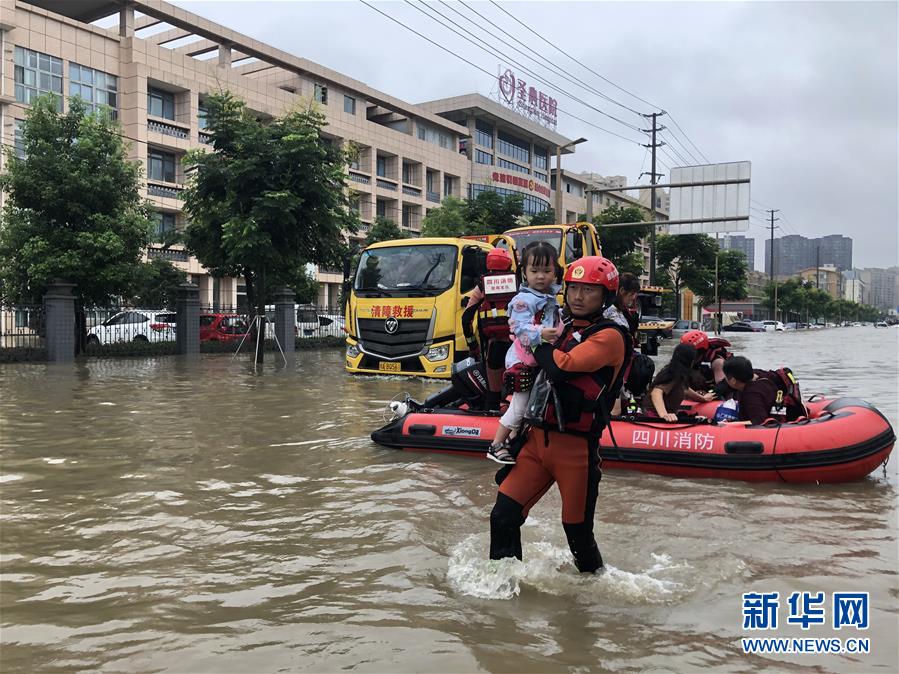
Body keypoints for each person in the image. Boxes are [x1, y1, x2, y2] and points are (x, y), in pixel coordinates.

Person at [489, 255, 631, 573]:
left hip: (575, 451)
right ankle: (502, 589)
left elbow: (562, 366)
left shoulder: (611, 336)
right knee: (502, 516)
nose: (578, 296)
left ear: (605, 296)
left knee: (577, 533)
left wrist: (530, 337)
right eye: (573, 288)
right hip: (537, 442)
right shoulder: (560, 326)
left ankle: (591, 600)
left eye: (589, 290)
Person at [487, 241, 562, 464]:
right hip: (523, 360)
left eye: (547, 271)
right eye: (535, 271)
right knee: (520, 405)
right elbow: (519, 328)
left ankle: (514, 439)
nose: (541, 276)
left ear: (555, 272)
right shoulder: (522, 300)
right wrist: (542, 333)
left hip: (540, 359)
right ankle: (496, 444)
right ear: (525, 273)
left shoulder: (551, 298)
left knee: (532, 403)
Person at [603, 273, 648, 415]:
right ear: (621, 291)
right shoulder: (609, 312)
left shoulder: (620, 312)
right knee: (615, 408)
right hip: (612, 366)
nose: (634, 298)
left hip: (621, 365)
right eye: (632, 294)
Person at [722, 356, 807, 425]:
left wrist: (729, 424)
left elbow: (759, 421)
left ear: (733, 380)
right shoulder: (760, 376)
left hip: (774, 427)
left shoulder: (751, 395)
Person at [643, 343, 716, 421]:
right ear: (691, 361)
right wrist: (664, 415)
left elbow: (685, 389)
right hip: (654, 416)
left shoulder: (679, 374)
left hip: (669, 414)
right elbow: (656, 392)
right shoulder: (672, 374)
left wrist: (703, 399)